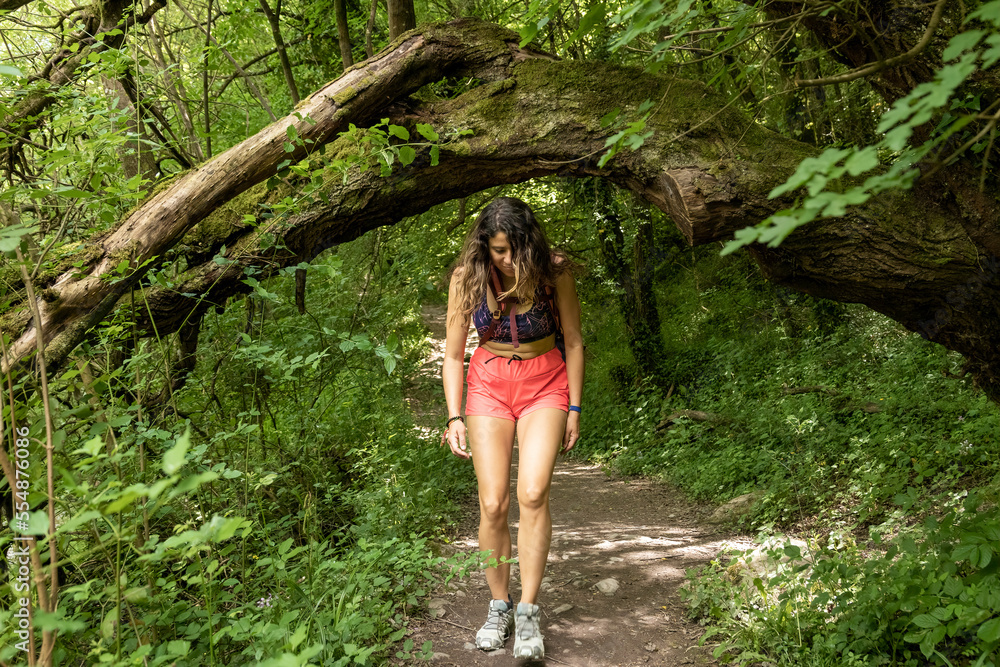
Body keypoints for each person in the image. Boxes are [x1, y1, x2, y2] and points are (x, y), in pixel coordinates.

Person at [441, 197, 584, 659]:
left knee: (534, 492)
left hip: (545, 381)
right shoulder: (468, 277)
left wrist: (575, 408)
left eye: (514, 250)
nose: (507, 260)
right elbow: (452, 354)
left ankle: (527, 613)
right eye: (499, 250)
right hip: (487, 384)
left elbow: (575, 341)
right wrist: (453, 415)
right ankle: (498, 604)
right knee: (493, 501)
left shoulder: (553, 272)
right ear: (485, 245)